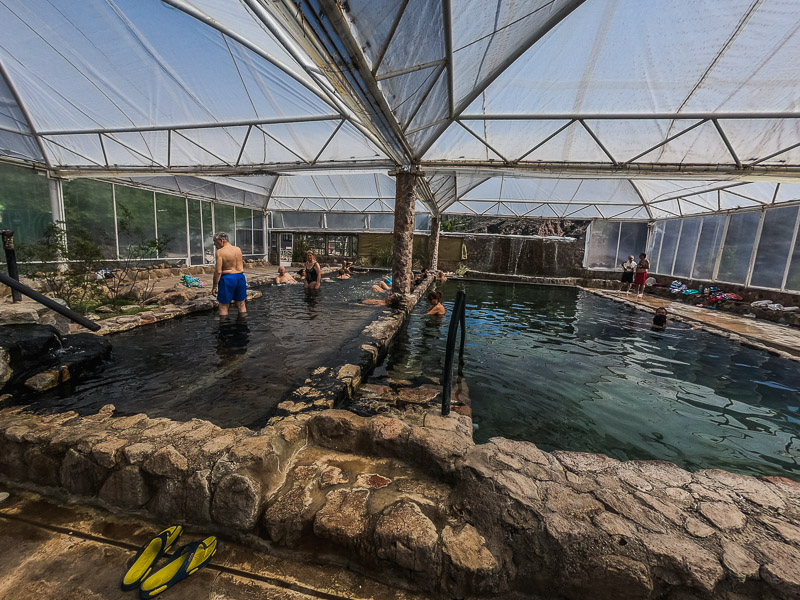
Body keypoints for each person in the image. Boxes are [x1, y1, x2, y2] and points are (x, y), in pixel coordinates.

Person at [212, 232, 247, 317]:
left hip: (227, 279)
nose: (215, 245)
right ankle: (242, 326)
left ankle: (224, 328)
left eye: (215, 242)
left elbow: (218, 271)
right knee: (241, 304)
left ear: (221, 241)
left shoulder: (220, 252)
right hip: (240, 277)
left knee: (223, 306)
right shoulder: (238, 249)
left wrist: (214, 286)